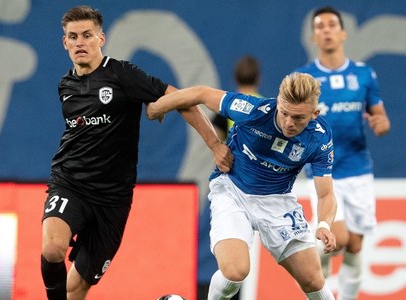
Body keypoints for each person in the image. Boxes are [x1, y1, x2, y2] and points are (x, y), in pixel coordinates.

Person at [40, 6, 232, 300]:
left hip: (112, 198)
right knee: (52, 247)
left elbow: (183, 99)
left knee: (76, 288)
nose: (80, 42)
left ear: (101, 38)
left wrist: (215, 145)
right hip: (71, 182)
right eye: (73, 37)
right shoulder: (65, 85)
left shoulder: (122, 74)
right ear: (64, 43)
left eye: (87, 35)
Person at [147, 72, 337, 300]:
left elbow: (325, 194)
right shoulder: (253, 110)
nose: (288, 123)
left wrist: (325, 224)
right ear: (278, 102)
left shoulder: (320, 137)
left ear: (314, 114)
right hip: (233, 191)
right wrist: (158, 107)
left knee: (313, 280)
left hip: (277, 202)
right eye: (284, 113)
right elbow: (201, 93)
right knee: (235, 272)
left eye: (298, 118)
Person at [293, 6, 391, 300]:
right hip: (324, 171)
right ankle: (318, 259)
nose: (326, 30)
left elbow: (381, 119)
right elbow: (291, 122)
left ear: (343, 32)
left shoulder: (363, 74)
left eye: (332, 25)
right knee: (338, 239)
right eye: (320, 26)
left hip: (359, 169)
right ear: (313, 36)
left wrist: (381, 123)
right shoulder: (304, 78)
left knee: (356, 246)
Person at [197, 55, 263, 300]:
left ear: (236, 79)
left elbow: (214, 140)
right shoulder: (265, 106)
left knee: (230, 246)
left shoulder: (229, 106)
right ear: (258, 78)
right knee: (248, 250)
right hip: (260, 187)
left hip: (232, 184)